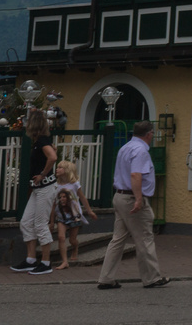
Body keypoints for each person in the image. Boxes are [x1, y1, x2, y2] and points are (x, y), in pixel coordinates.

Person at [97, 120, 167, 290]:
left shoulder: (125, 147)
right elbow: (136, 175)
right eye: (152, 134)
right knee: (144, 237)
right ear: (149, 134)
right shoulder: (141, 150)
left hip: (120, 196)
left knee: (118, 239)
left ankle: (106, 278)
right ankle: (151, 278)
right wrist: (138, 199)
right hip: (131, 198)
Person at [12, 108, 59, 274]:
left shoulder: (41, 141)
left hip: (45, 187)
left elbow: (52, 157)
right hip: (40, 188)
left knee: (40, 224)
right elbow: (53, 154)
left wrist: (42, 174)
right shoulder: (42, 140)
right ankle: (31, 259)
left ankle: (46, 262)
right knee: (26, 222)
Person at [49, 159, 97, 269]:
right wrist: (52, 222)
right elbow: (53, 204)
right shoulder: (56, 185)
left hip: (74, 216)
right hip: (61, 216)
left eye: (60, 167)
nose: (57, 169)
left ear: (67, 170)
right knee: (61, 237)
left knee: (72, 240)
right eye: (58, 167)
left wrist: (89, 211)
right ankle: (65, 262)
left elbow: (82, 198)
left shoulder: (74, 184)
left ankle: (75, 247)